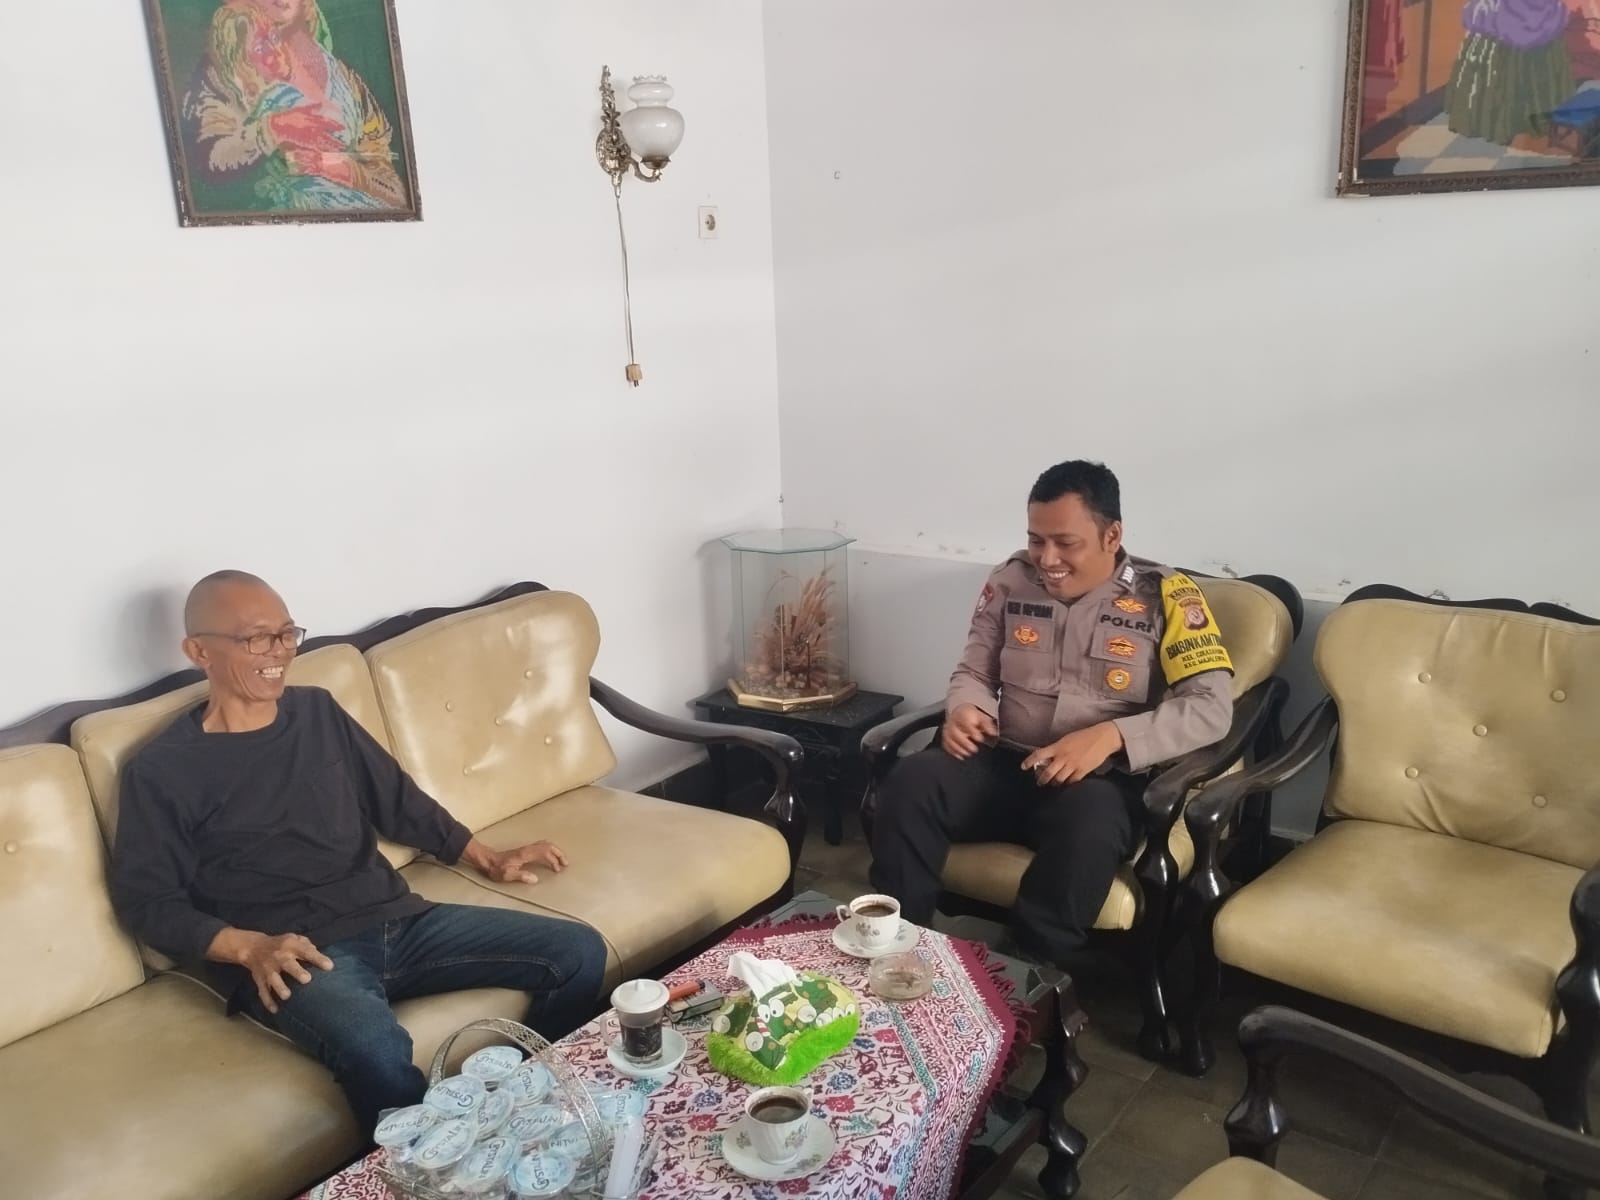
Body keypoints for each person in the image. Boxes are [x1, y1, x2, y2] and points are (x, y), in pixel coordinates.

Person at [109, 570, 607, 1136]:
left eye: (286, 633)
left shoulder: (317, 713)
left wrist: (486, 857)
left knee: (577, 951)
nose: (280, 653)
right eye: (257, 639)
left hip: (399, 921)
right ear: (199, 651)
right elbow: (149, 902)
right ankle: (434, 1166)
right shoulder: (163, 770)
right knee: (374, 1046)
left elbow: (395, 800)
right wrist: (249, 948)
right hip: (298, 954)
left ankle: (515, 1114)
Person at [867, 461, 1234, 968]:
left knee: (1090, 823)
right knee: (912, 781)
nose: (1047, 559)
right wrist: (967, 707)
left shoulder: (1166, 597)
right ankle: (894, 954)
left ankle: (1028, 979)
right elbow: (973, 669)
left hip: (1099, 781)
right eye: (1036, 540)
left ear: (1112, 535)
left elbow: (1211, 708)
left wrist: (1111, 736)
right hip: (1003, 763)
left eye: (1065, 543)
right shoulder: (1011, 581)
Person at [182, 0, 410, 211]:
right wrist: (274, 129)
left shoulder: (343, 76)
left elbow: (396, 191)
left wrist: (347, 170)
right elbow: (208, 162)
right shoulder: (229, 69)